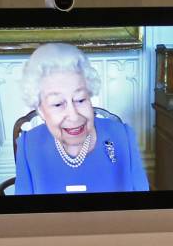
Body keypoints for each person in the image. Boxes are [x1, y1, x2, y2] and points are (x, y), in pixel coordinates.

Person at [15, 43, 149, 195]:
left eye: (80, 99)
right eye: (58, 104)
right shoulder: (28, 145)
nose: (74, 116)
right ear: (40, 110)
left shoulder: (123, 136)